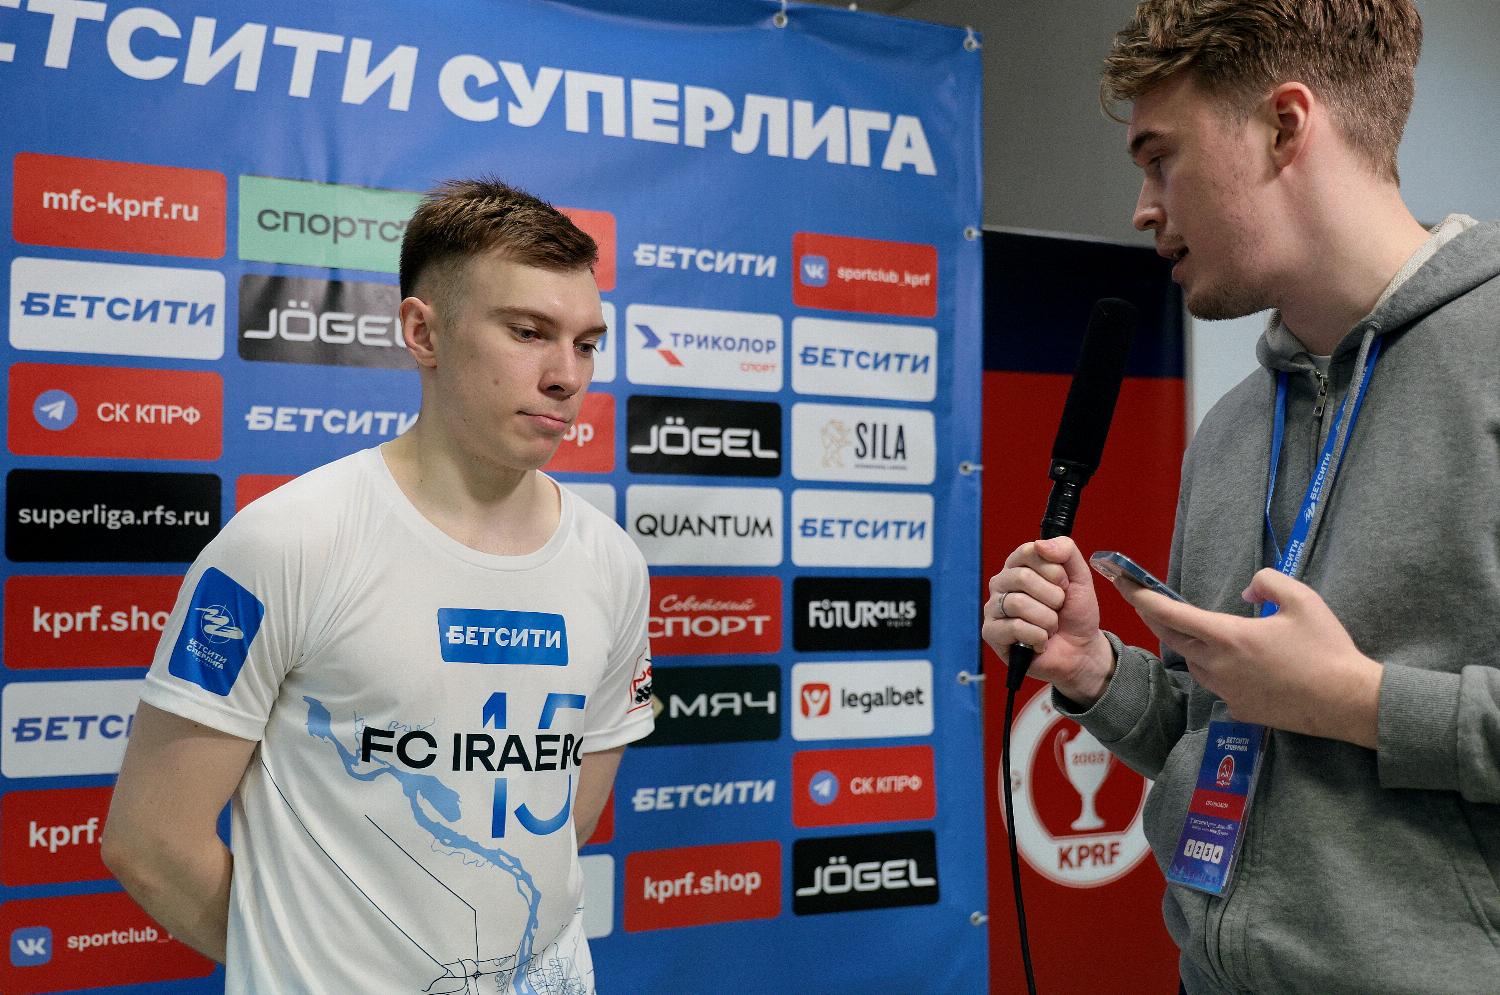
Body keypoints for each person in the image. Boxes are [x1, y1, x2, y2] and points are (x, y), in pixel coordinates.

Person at [982, 2, 1500, 992]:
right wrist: (1096, 671)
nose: (1143, 208)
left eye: (1160, 158)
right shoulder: (1232, 428)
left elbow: (1328, 704)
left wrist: (1363, 702)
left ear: (1285, 127)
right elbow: (1221, 731)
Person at [103, 178, 654, 994]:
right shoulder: (288, 541)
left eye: (586, 343)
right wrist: (303, 965)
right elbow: (151, 841)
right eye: (529, 332)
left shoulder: (613, 562)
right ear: (422, 332)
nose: (566, 375)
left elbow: (562, 825)